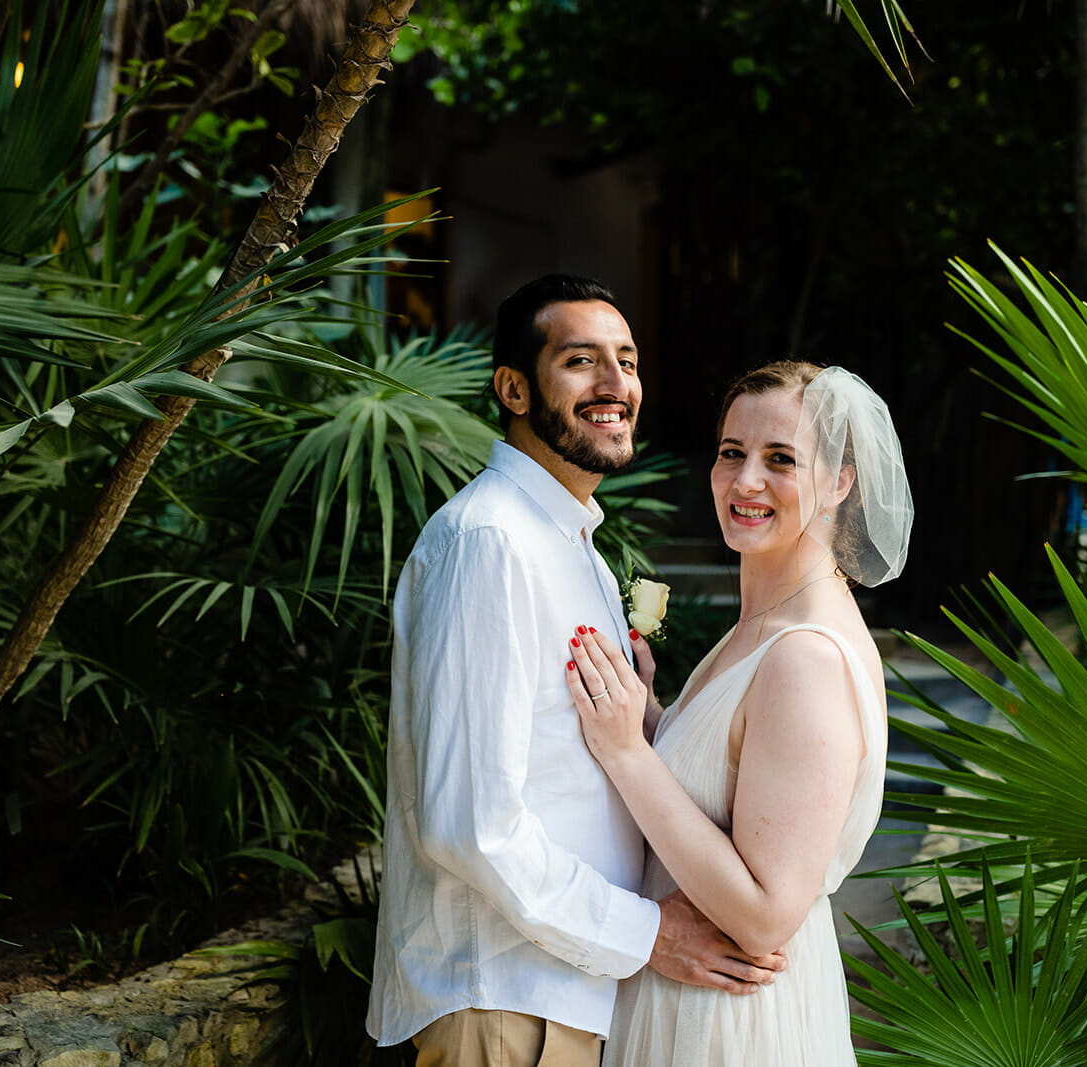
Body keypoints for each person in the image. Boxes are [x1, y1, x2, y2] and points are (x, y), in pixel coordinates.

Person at [367, 275, 785, 1067]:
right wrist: (649, 933)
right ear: (514, 388)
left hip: (564, 994)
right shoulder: (491, 542)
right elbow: (472, 825)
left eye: (627, 360)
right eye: (581, 361)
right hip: (504, 1002)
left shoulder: (574, 548)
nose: (615, 383)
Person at [564, 361, 913, 1065]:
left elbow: (764, 914)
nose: (746, 480)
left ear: (840, 482)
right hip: (682, 996)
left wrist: (626, 751)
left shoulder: (806, 656)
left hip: (730, 1022)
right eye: (732, 452)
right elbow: (727, 788)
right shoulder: (758, 626)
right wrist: (654, 719)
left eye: (781, 459)